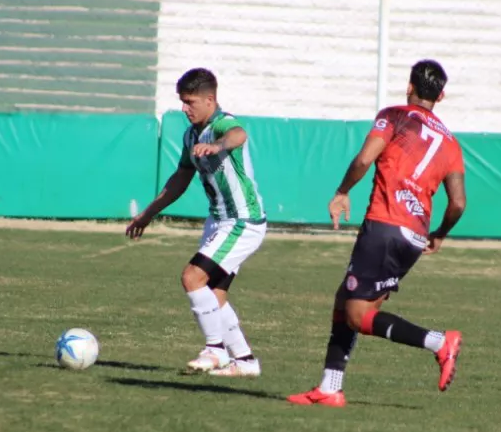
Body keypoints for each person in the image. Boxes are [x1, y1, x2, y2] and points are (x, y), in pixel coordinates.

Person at [288, 59, 466, 407]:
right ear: (441, 96)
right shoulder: (451, 144)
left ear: (409, 87)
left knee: (356, 314)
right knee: (347, 301)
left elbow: (364, 159)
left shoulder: (395, 115)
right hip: (414, 236)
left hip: (384, 225)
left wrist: (342, 191)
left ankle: (439, 342)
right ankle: (329, 387)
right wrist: (441, 233)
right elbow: (458, 203)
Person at [126, 68, 266, 377]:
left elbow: (238, 134)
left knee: (192, 278)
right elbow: (180, 179)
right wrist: (149, 213)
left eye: (190, 102)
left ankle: (215, 350)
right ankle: (245, 361)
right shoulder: (191, 134)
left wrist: (219, 146)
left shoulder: (222, 124)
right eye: (182, 102)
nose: (184, 108)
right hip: (218, 222)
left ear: (209, 99)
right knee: (213, 295)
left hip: (242, 222)